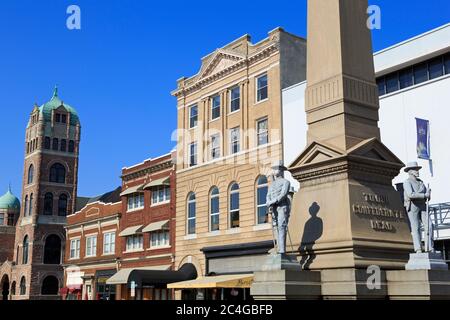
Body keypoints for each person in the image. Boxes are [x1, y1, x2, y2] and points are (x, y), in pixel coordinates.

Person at [403, 161, 431, 253]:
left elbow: (427, 196)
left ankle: (429, 247)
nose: (418, 171)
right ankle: (418, 248)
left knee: (429, 225)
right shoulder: (407, 182)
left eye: (417, 170)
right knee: (416, 228)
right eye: (416, 170)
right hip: (413, 206)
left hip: (423, 205)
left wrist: (428, 194)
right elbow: (411, 194)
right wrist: (424, 195)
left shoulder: (421, 182)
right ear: (410, 171)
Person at [266, 161, 291, 255]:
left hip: (282, 207)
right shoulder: (272, 184)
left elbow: (283, 194)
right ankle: (278, 247)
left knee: (281, 226)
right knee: (275, 227)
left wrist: (273, 201)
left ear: (281, 170)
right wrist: (268, 202)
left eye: (277, 169)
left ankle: (282, 250)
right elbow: (268, 195)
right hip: (273, 208)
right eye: (274, 169)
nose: (275, 171)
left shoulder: (286, 182)